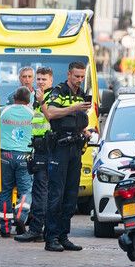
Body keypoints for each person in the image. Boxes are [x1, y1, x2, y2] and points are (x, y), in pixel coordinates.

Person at [43, 61, 92, 252]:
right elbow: (52, 113)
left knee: (71, 196)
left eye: (82, 77)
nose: (80, 80)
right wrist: (74, 108)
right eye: (77, 76)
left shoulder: (81, 94)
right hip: (60, 148)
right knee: (56, 194)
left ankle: (63, 236)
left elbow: (76, 121)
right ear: (69, 74)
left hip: (75, 148)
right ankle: (51, 238)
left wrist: (85, 131)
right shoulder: (59, 91)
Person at [15, 67, 53, 243]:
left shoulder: (51, 98)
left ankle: (38, 229)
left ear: (51, 80)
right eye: (38, 79)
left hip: (48, 151)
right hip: (38, 150)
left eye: (43, 79)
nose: (40, 82)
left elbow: (51, 118)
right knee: (40, 191)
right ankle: (39, 229)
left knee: (42, 192)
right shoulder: (37, 100)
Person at [0, 86, 34, 236]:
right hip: (24, 156)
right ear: (28, 100)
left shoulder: (3, 111)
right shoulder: (32, 113)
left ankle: (5, 228)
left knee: (5, 191)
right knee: (26, 190)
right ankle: (20, 213)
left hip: (5, 155)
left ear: (14, 98)